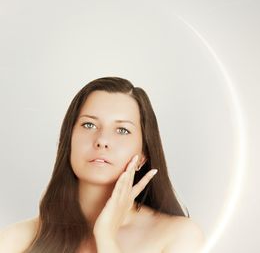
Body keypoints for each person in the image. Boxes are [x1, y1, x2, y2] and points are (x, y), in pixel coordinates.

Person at [0, 76, 205, 252]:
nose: (102, 140)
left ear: (143, 155)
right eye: (89, 125)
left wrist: (105, 236)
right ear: (68, 141)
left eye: (122, 130)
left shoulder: (178, 235)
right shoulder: (18, 239)